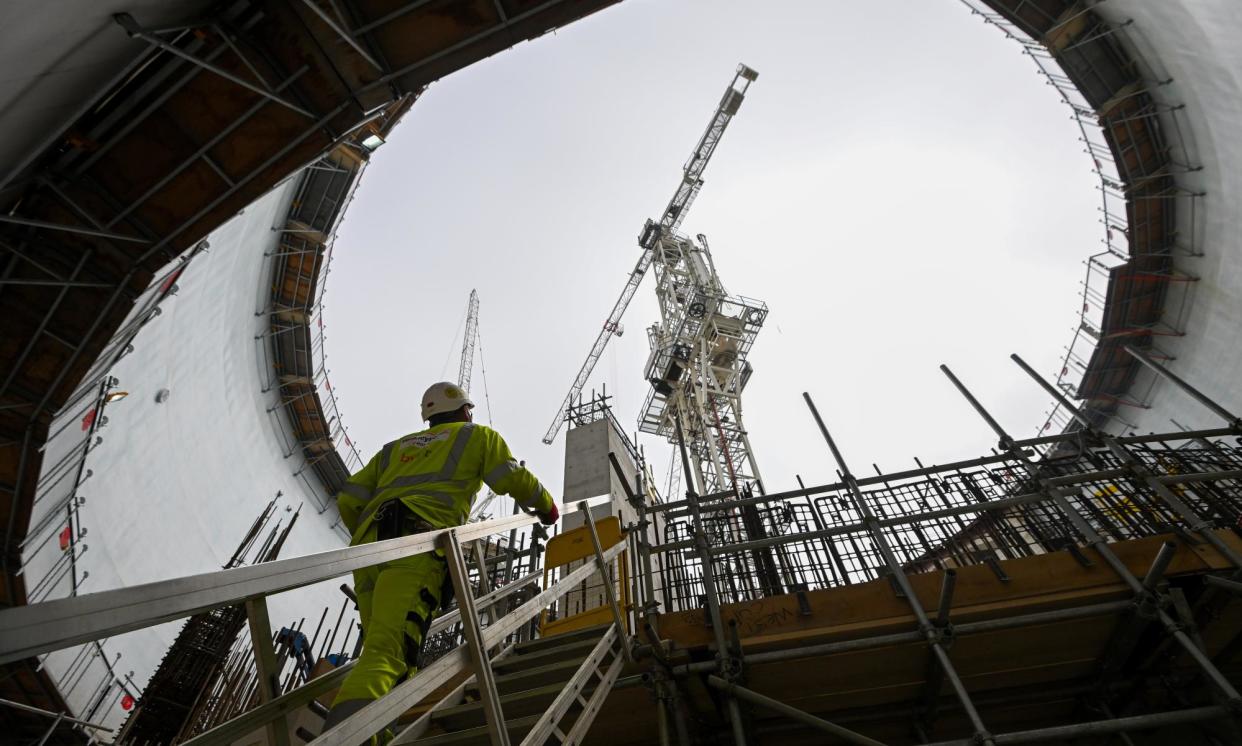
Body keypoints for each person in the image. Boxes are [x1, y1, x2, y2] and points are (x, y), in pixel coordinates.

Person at [321, 381, 559, 736]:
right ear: (465, 410)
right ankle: (345, 739)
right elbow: (508, 476)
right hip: (416, 549)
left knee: (381, 653)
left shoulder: (393, 450)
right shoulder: (476, 436)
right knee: (388, 655)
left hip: (369, 551)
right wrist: (547, 507)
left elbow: (349, 499)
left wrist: (371, 537)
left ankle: (378, 735)